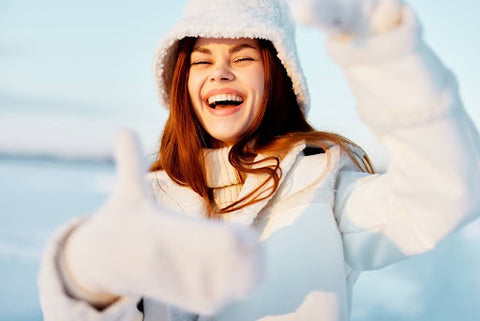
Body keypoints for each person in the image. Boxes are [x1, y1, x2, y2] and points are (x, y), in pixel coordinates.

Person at [38, 0, 480, 320]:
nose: (220, 72)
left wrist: (389, 52)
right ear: (181, 83)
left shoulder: (320, 184)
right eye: (201, 60)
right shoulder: (150, 199)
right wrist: (86, 275)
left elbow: (442, 195)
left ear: (278, 78)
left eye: (243, 57)